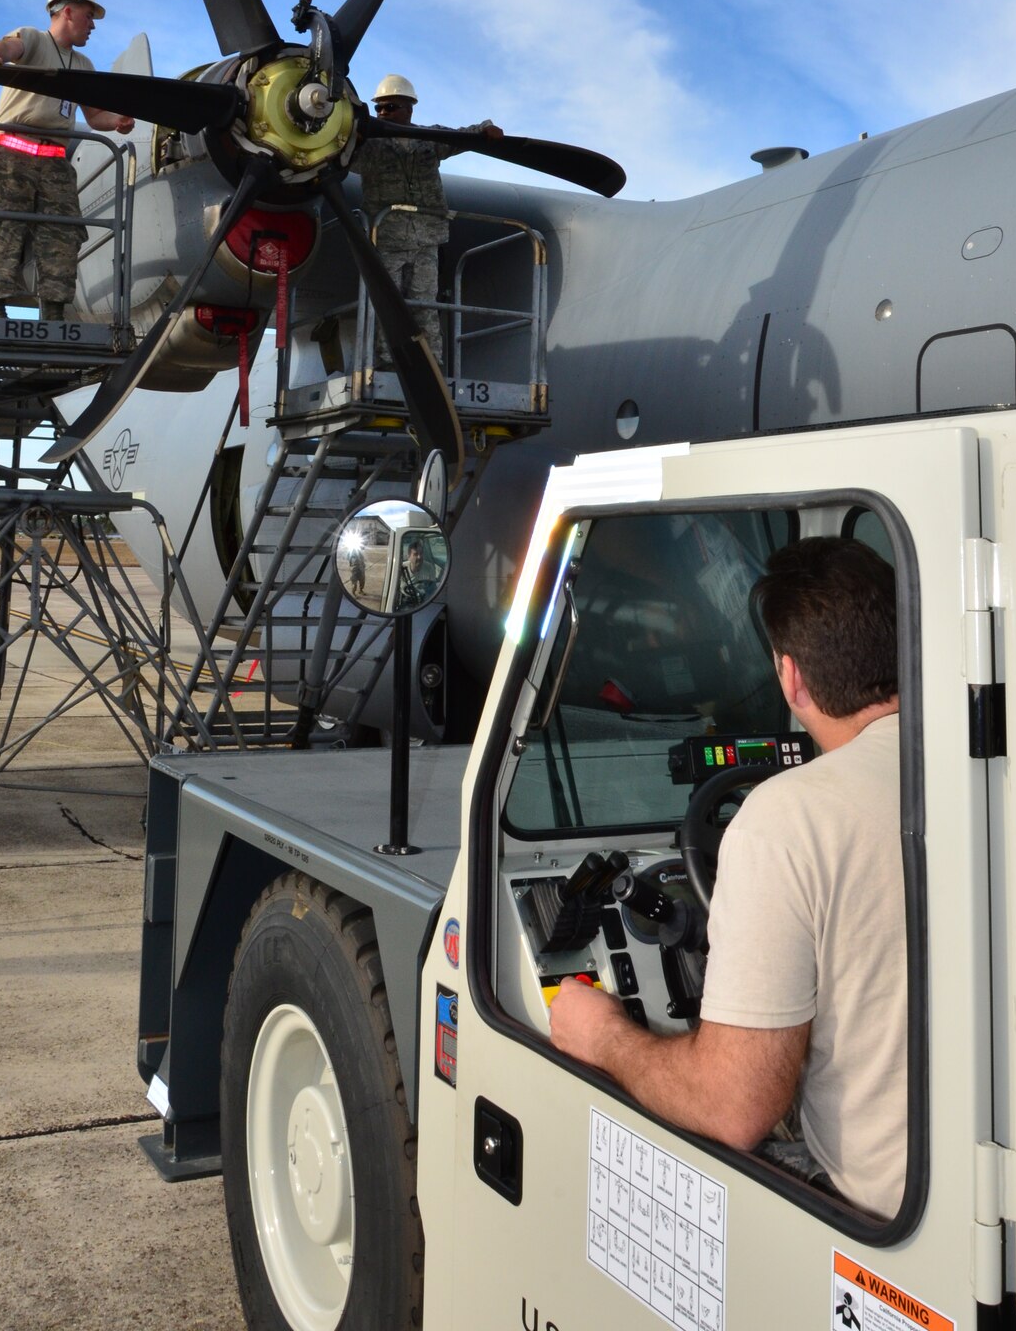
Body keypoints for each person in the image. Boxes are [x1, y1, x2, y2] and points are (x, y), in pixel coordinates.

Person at [550, 536, 906, 1219]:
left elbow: (730, 1105)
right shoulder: (1002, 775)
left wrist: (602, 1035)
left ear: (790, 677)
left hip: (878, 1219)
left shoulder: (786, 819)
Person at [0, 0, 135, 321]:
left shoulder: (84, 65)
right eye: (89, 16)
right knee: (4, 228)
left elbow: (94, 116)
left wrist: (117, 120)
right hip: (10, 153)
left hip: (53, 160)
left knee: (63, 232)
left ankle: (55, 311)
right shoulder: (33, 39)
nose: (93, 25)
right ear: (68, 11)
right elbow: (8, 46)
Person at [357, 74, 501, 367]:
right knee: (387, 306)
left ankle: (429, 365)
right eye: (379, 109)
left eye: (391, 106)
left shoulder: (428, 141)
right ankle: (386, 365)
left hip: (427, 239)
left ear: (409, 108)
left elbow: (463, 136)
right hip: (388, 240)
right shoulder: (368, 146)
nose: (383, 113)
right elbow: (341, 157)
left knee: (425, 305)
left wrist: (485, 128)